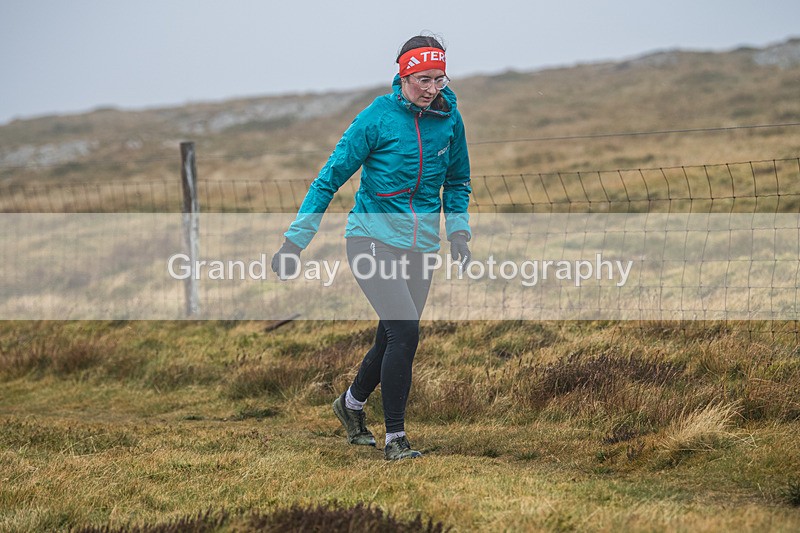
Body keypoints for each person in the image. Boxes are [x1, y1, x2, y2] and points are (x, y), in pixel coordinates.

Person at [271, 34, 472, 460]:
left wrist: (458, 232)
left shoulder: (450, 120)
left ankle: (350, 404)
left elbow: (457, 181)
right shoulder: (376, 118)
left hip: (421, 246)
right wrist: (294, 242)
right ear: (403, 75)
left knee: (391, 336)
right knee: (406, 331)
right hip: (370, 240)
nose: (431, 88)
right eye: (422, 79)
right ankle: (396, 438)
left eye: (438, 79)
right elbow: (328, 179)